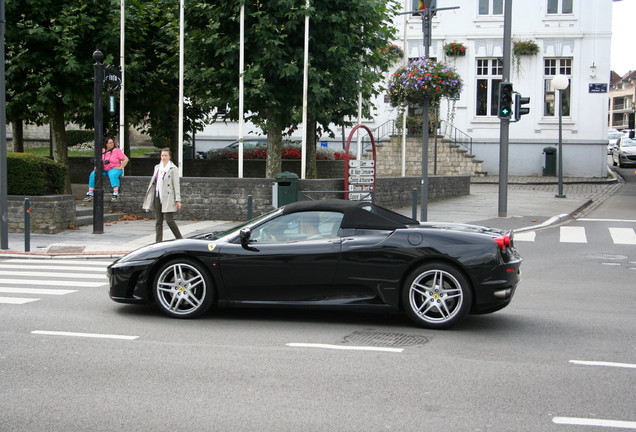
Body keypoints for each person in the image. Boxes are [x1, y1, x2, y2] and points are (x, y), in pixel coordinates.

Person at [142, 148, 183, 242]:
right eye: (162, 155)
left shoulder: (173, 169)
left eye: (165, 155)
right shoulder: (157, 167)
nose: (163, 157)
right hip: (157, 195)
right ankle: (158, 242)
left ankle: (180, 239)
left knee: (169, 220)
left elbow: (176, 185)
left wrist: (178, 200)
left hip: (168, 197)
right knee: (158, 221)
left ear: (169, 157)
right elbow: (154, 182)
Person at [83, 136, 129, 202]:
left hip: (114, 168)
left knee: (113, 174)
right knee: (93, 174)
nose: (111, 144)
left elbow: (126, 159)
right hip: (104, 169)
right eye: (109, 143)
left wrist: (120, 167)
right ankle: (90, 193)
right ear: (106, 144)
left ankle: (115, 193)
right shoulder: (102, 150)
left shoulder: (116, 151)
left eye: (112, 142)